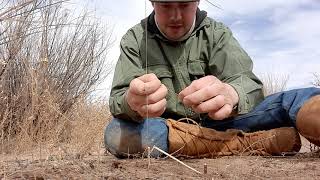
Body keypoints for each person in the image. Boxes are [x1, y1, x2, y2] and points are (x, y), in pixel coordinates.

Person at [105, 0, 320, 158]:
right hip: (169, 130)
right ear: (152, 2)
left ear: (197, 1)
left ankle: (222, 143)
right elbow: (118, 99)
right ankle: (250, 143)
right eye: (166, 5)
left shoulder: (217, 33)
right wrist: (131, 102)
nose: (176, 16)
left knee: (296, 100)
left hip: (224, 122)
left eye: (184, 4)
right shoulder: (134, 39)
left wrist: (232, 93)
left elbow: (249, 84)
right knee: (117, 134)